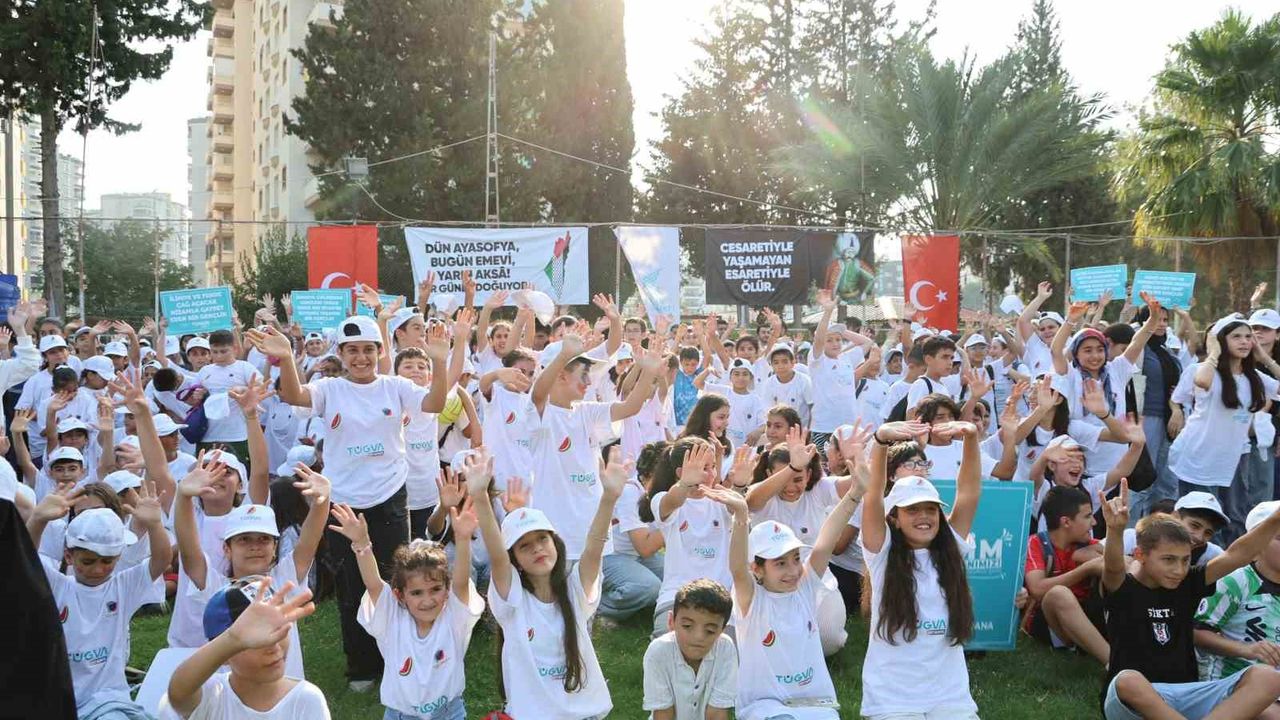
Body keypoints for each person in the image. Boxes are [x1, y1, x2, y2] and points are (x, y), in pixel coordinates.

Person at [247, 316, 449, 689]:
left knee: (395, 578)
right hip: (343, 501)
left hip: (390, 496)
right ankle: (362, 666)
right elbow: (296, 396)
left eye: (368, 350)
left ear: (379, 351)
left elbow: (434, 403)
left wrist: (439, 360)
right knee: (352, 584)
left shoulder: (395, 386)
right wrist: (287, 358)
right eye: (352, 350)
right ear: (340, 353)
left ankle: (400, 655)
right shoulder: (330, 388)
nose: (361, 358)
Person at [1099, 481, 1280, 720]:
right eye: (1169, 560)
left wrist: (1276, 517)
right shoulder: (1124, 589)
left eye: (1185, 560)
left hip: (1187, 696)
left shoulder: (1188, 583)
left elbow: (1237, 554)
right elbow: (1112, 568)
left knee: (1268, 677)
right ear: (1140, 555)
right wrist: (1114, 530)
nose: (1178, 569)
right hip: (1134, 701)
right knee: (1127, 680)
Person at [465, 447, 615, 719]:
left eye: (543, 539)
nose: (537, 548)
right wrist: (480, 497)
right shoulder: (512, 600)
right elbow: (497, 555)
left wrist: (609, 497)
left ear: (555, 543)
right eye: (524, 546)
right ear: (516, 561)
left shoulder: (575, 591)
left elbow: (594, 548)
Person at [718, 434, 860, 719]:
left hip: (814, 705)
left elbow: (826, 539)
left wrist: (857, 492)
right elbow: (737, 567)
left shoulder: (804, 586)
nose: (793, 570)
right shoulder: (750, 598)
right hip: (765, 706)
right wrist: (741, 516)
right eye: (780, 563)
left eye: (795, 559)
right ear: (757, 569)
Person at [860, 419, 982, 719]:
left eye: (930, 509)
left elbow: (969, 492)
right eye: (912, 510)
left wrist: (971, 438)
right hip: (892, 698)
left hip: (949, 696)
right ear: (894, 518)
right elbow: (872, 495)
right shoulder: (881, 552)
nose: (924, 517)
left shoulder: (951, 546)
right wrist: (880, 441)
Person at [328, 498, 483, 720]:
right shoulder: (391, 619)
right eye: (417, 593)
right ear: (399, 595)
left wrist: (463, 539)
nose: (427, 600)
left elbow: (461, 584)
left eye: (435, 589)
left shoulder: (454, 617)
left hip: (449, 713)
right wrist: (361, 544)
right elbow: (374, 585)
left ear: (447, 590)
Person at [27, 480, 171, 715]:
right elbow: (25, 558)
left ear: (118, 556)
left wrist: (155, 524)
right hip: (59, 700)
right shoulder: (58, 585)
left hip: (109, 699)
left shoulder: (123, 587)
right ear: (69, 556)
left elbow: (161, 561)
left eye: (107, 561)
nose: (97, 569)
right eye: (88, 561)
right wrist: (38, 519)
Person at [529, 333, 660, 562]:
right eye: (583, 374)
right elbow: (538, 394)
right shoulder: (540, 413)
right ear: (561, 375)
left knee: (590, 585)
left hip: (591, 528)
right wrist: (564, 355)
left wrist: (648, 370)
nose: (589, 382)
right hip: (557, 533)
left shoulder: (587, 411)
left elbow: (630, 407)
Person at [1169, 313, 1280, 542]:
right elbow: (1202, 381)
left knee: (1236, 517)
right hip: (1199, 457)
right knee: (1201, 519)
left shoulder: (1253, 377)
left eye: (1248, 337)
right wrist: (1214, 352)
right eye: (1236, 336)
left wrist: (1264, 357)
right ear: (1221, 340)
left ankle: (1232, 561)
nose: (1244, 342)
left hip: (1234, 458)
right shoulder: (1202, 369)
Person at [162, 577, 329, 719]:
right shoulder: (213, 696)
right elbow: (178, 693)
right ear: (224, 652)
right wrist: (232, 639)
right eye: (255, 641)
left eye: (278, 629)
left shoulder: (306, 699)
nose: (273, 646)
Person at [647, 438, 736, 638]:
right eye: (704, 468)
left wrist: (738, 485)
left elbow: (738, 507)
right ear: (681, 472)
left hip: (721, 599)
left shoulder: (721, 499)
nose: (712, 474)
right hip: (676, 597)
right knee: (670, 646)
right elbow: (672, 501)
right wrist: (685, 484)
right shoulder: (663, 499)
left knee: (728, 649)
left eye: (713, 467)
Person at [1194, 500, 1280, 682]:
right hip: (1233, 686)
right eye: (1279, 538)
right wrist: (1246, 649)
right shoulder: (1235, 580)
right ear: (1257, 542)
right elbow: (1196, 632)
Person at [1023, 485, 1108, 664]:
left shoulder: (1089, 545)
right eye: (1088, 516)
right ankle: (1113, 663)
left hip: (1086, 616)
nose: (1094, 522)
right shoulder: (1036, 543)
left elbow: (1128, 567)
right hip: (1049, 622)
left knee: (1110, 575)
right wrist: (1086, 569)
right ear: (1066, 522)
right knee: (1058, 594)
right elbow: (1037, 589)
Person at [642, 578, 737, 720]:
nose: (698, 637)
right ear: (671, 621)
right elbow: (663, 714)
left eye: (710, 631)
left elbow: (717, 713)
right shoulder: (658, 652)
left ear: (722, 630)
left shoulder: (725, 649)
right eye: (687, 626)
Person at [755, 344, 813, 427]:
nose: (780, 366)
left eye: (785, 362)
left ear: (793, 363)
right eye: (776, 363)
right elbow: (768, 411)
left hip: (802, 428)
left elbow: (812, 407)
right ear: (771, 365)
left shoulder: (804, 381)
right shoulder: (768, 384)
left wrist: (809, 430)